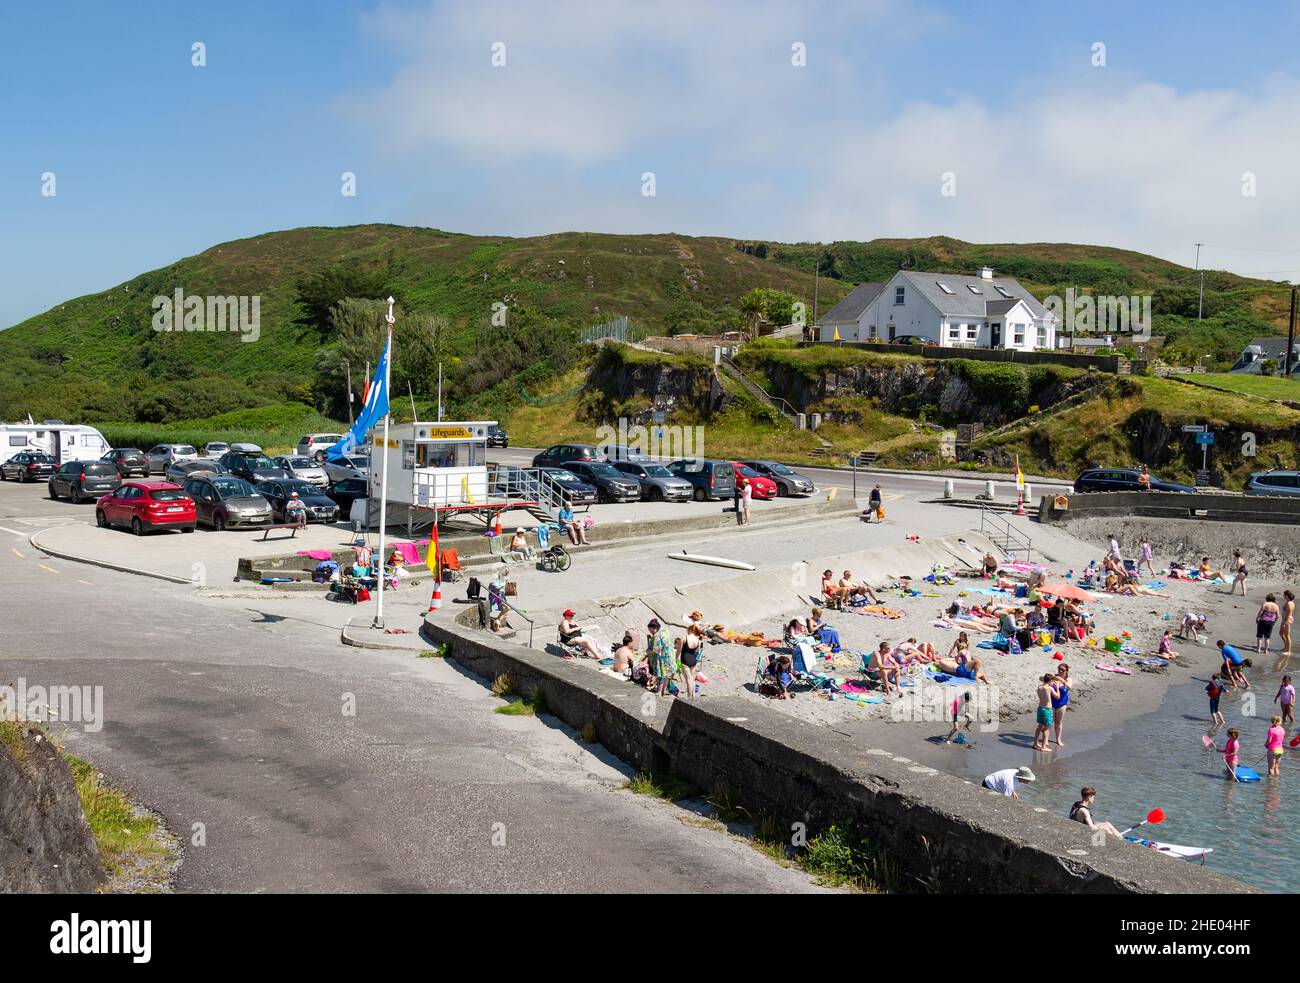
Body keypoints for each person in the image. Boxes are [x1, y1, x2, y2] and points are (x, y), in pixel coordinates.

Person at [648, 618, 678, 696]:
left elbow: (656, 649)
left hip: (663, 658)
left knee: (661, 674)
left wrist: (648, 651)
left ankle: (659, 691)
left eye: (650, 630)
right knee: (667, 675)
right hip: (670, 656)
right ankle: (664, 690)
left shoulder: (657, 635)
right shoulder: (664, 631)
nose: (650, 632)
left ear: (655, 628)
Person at [1033, 675, 1056, 751]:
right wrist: (1058, 688)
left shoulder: (1039, 687)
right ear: (1050, 681)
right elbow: (1057, 696)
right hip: (1047, 709)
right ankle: (1044, 747)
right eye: (1052, 681)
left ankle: (1035, 743)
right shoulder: (1049, 688)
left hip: (1040, 708)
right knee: (1046, 728)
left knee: (1040, 726)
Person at [1051, 664, 1072, 747]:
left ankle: (1058, 739)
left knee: (1058, 722)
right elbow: (1041, 678)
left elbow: (1069, 687)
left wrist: (1062, 680)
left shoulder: (1068, 679)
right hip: (1052, 702)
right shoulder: (1054, 676)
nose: (1060, 671)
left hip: (1062, 704)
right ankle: (1045, 740)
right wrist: (1053, 678)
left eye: (1062, 670)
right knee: (1049, 722)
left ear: (1066, 671)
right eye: (1059, 669)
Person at [1280, 590, 1296, 669]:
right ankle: (1285, 646)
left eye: (1284, 595)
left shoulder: (1290, 603)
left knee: (1287, 635)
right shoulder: (1288, 601)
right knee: (1281, 633)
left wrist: (1285, 622)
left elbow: (1289, 614)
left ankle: (1288, 651)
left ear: (1287, 595)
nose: (1283, 596)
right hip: (1284, 619)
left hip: (1287, 620)